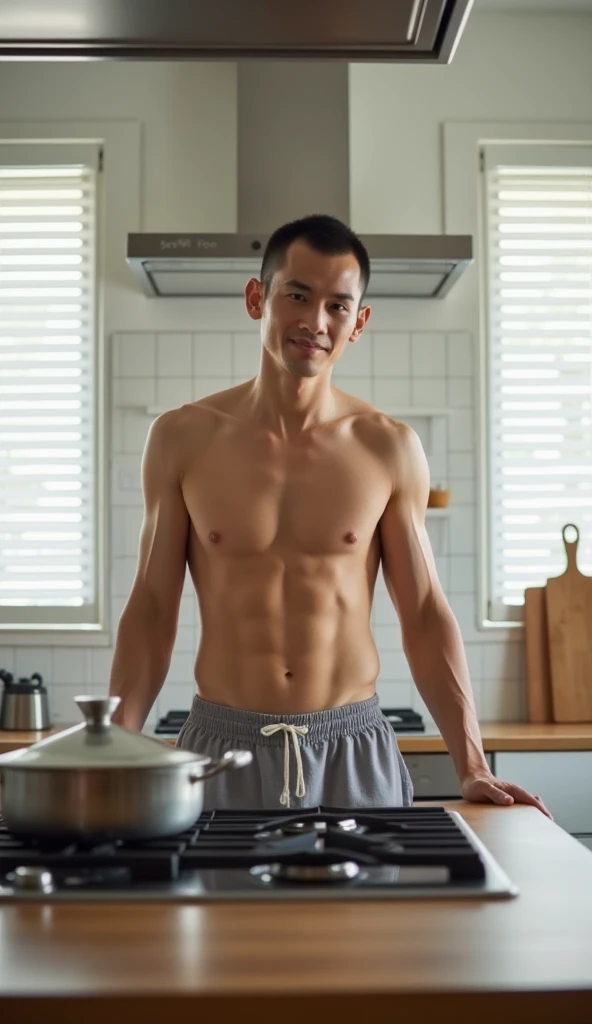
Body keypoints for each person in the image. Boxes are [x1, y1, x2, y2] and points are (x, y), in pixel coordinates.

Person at [109, 213, 551, 817]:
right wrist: (113, 750)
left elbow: (424, 614)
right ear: (256, 297)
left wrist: (471, 762)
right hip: (222, 750)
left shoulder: (388, 447)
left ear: (359, 323)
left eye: (338, 306)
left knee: (369, 916)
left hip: (353, 749)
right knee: (218, 914)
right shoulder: (181, 439)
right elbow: (153, 609)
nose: (315, 322)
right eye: (297, 295)